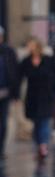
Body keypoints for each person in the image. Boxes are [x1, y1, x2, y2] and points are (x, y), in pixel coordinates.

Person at [19, 37, 55, 163]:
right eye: (28, 45)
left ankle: (43, 146)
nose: (29, 47)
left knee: (44, 122)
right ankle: (39, 145)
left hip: (46, 96)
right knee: (36, 123)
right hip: (33, 97)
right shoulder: (26, 61)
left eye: (31, 45)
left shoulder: (48, 60)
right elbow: (18, 77)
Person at [0, 28, 18, 157]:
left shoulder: (8, 52)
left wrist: (15, 93)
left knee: (3, 123)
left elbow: (14, 73)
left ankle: (0, 149)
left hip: (4, 93)